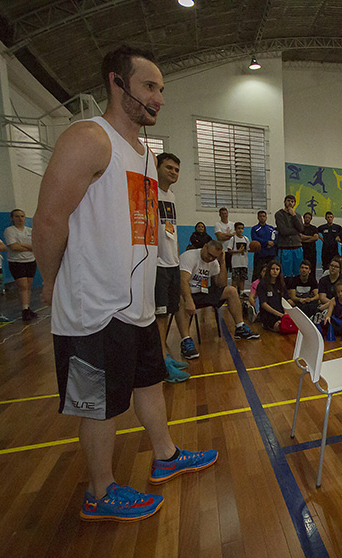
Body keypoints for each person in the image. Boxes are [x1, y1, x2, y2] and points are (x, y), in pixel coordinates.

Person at [33, 45, 217, 523]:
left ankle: (166, 455)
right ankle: (99, 492)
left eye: (161, 89)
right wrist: (50, 281)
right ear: (117, 83)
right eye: (149, 87)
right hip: (93, 308)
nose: (159, 98)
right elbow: (49, 220)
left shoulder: (145, 154)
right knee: (100, 406)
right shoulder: (89, 138)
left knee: (149, 383)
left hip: (134, 306)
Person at [178, 240, 259, 358]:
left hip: (203, 292)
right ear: (205, 246)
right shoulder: (189, 256)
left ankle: (240, 327)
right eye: (209, 255)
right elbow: (182, 281)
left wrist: (222, 262)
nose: (210, 258)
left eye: (214, 257)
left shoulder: (214, 262)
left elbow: (221, 285)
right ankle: (186, 340)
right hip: (187, 292)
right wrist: (188, 300)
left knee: (231, 290)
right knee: (180, 298)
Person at [152, 152, 189, 382]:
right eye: (169, 168)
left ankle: (164, 355)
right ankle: (161, 363)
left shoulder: (171, 196)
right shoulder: (149, 192)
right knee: (159, 315)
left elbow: (171, 230)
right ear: (156, 167)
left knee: (168, 313)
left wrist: (175, 257)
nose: (174, 172)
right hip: (156, 264)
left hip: (172, 262)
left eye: (176, 169)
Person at [4, 208, 38, 321]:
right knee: (22, 286)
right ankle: (24, 310)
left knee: (28, 286)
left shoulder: (30, 230)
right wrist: (28, 247)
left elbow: (35, 246)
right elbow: (14, 246)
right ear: (12, 218)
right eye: (17, 216)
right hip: (17, 262)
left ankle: (27, 307)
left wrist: (22, 245)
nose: (20, 218)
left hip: (30, 261)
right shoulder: (9, 231)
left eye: (22, 216)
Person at [257, 260, 294, 332]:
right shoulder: (262, 284)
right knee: (280, 328)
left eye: (277, 269)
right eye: (273, 269)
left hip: (281, 312)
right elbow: (264, 304)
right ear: (269, 270)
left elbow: (285, 300)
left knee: (291, 327)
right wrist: (279, 314)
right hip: (268, 314)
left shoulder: (281, 284)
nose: (275, 271)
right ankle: (264, 322)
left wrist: (286, 312)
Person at [274, 195, 304, 278]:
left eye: (292, 201)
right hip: (285, 247)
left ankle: (296, 286)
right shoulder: (279, 214)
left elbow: (301, 229)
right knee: (285, 273)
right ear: (284, 202)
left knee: (298, 272)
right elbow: (283, 231)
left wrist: (294, 216)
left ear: (294, 203)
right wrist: (296, 231)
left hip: (297, 246)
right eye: (288, 201)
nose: (290, 203)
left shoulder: (297, 215)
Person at [251, 210, 277, 280]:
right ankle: (255, 286)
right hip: (260, 254)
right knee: (257, 272)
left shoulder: (271, 228)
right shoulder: (255, 229)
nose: (262, 218)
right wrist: (266, 243)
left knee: (271, 272)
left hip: (271, 254)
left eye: (263, 216)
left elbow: (275, 238)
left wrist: (272, 243)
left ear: (266, 217)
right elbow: (255, 239)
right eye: (260, 216)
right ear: (258, 217)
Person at [226, 222, 249, 294]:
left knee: (242, 279)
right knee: (235, 279)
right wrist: (237, 251)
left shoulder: (246, 239)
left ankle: (241, 293)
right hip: (236, 263)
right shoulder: (233, 239)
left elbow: (248, 249)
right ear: (235, 229)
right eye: (238, 228)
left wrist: (256, 248)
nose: (240, 230)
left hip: (244, 262)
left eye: (242, 228)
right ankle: (233, 293)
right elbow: (229, 250)